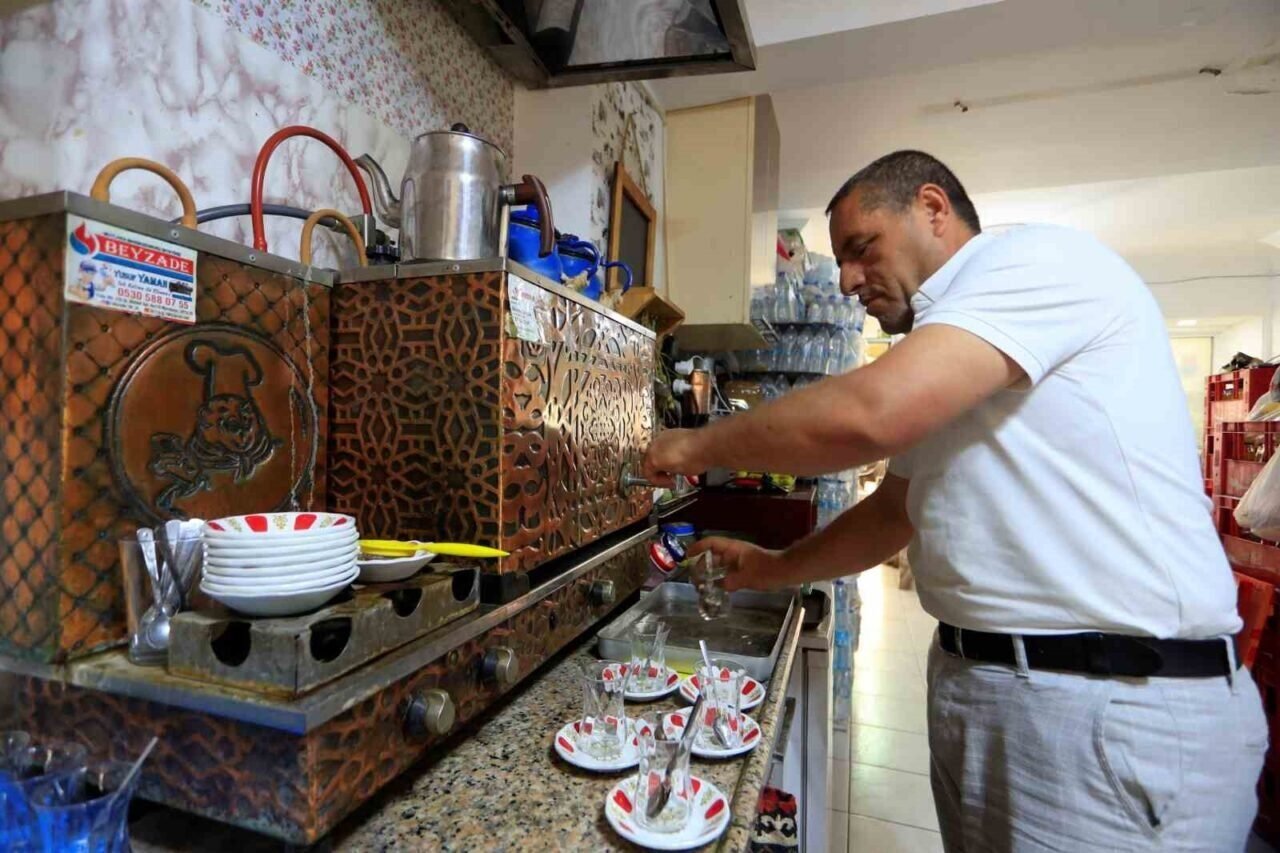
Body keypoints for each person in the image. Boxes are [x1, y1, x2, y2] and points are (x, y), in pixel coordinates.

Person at [642, 150, 1266, 852]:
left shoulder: (1032, 261)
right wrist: (772, 567)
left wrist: (696, 445)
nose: (847, 280)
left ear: (933, 208)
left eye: (861, 248)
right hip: (1006, 691)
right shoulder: (956, 348)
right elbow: (892, 513)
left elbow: (872, 414)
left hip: (1109, 704)